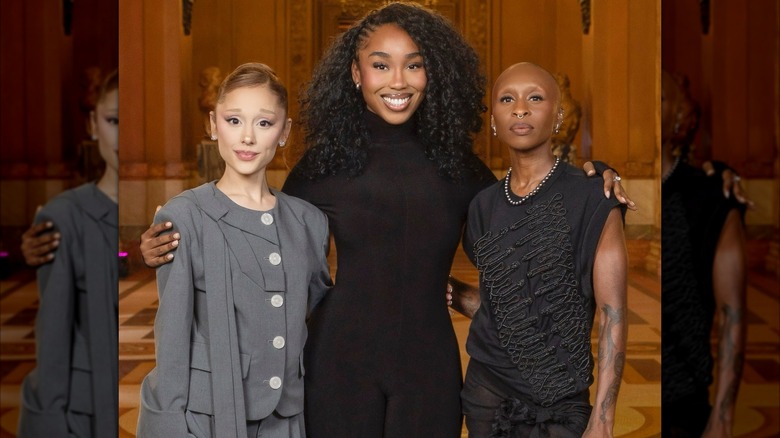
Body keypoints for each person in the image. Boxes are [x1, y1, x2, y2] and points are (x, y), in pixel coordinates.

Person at [138, 4, 631, 437]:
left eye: (413, 65)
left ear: (431, 73)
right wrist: (165, 241)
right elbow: (255, 226)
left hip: (430, 368)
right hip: (337, 365)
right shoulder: (323, 164)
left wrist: (593, 178)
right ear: (356, 73)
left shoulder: (461, 168)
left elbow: (528, 206)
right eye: (381, 65)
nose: (398, 81)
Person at [135, 63, 332, 438]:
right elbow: (173, 338)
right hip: (209, 415)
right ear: (213, 125)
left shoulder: (309, 222)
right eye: (233, 120)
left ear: (284, 132)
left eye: (263, 123)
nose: (247, 137)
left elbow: (320, 318)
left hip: (288, 415)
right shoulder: (184, 216)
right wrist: (169, 425)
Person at [452, 62, 628, 438]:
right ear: (495, 121)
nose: (520, 108)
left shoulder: (593, 197)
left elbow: (612, 316)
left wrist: (604, 417)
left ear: (558, 115)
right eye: (507, 99)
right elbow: (507, 310)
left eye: (535, 97)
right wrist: (456, 295)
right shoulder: (482, 206)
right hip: (485, 392)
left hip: (560, 402)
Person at [17, 70, 119, 437]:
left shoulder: (185, 213)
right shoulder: (62, 216)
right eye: (113, 121)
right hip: (87, 411)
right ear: (94, 124)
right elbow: (55, 340)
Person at [660, 70, 746, 438]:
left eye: (659, 98)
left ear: (678, 115)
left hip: (684, 404)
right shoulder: (595, 193)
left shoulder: (710, 198)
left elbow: (732, 316)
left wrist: (723, 417)